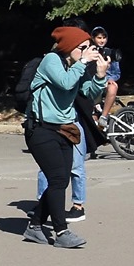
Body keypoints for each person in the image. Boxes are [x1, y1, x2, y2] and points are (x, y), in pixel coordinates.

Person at [25, 26, 105, 249]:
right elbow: (65, 82)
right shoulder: (51, 60)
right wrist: (83, 63)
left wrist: (99, 77)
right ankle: (61, 231)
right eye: (83, 47)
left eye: (89, 47)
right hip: (41, 130)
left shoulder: (75, 66)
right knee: (58, 179)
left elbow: (89, 93)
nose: (88, 51)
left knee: (60, 179)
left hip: (65, 130)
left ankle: (35, 225)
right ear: (69, 47)